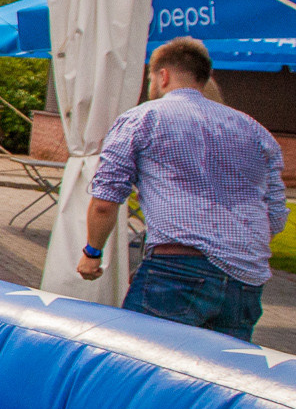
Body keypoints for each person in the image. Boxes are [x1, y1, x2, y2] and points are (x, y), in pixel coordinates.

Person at [80, 38, 286, 340]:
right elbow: (276, 216)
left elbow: (105, 201)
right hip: (246, 281)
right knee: (215, 379)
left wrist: (92, 252)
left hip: (177, 268)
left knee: (140, 368)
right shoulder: (257, 131)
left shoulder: (142, 118)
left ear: (163, 75)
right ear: (204, 78)